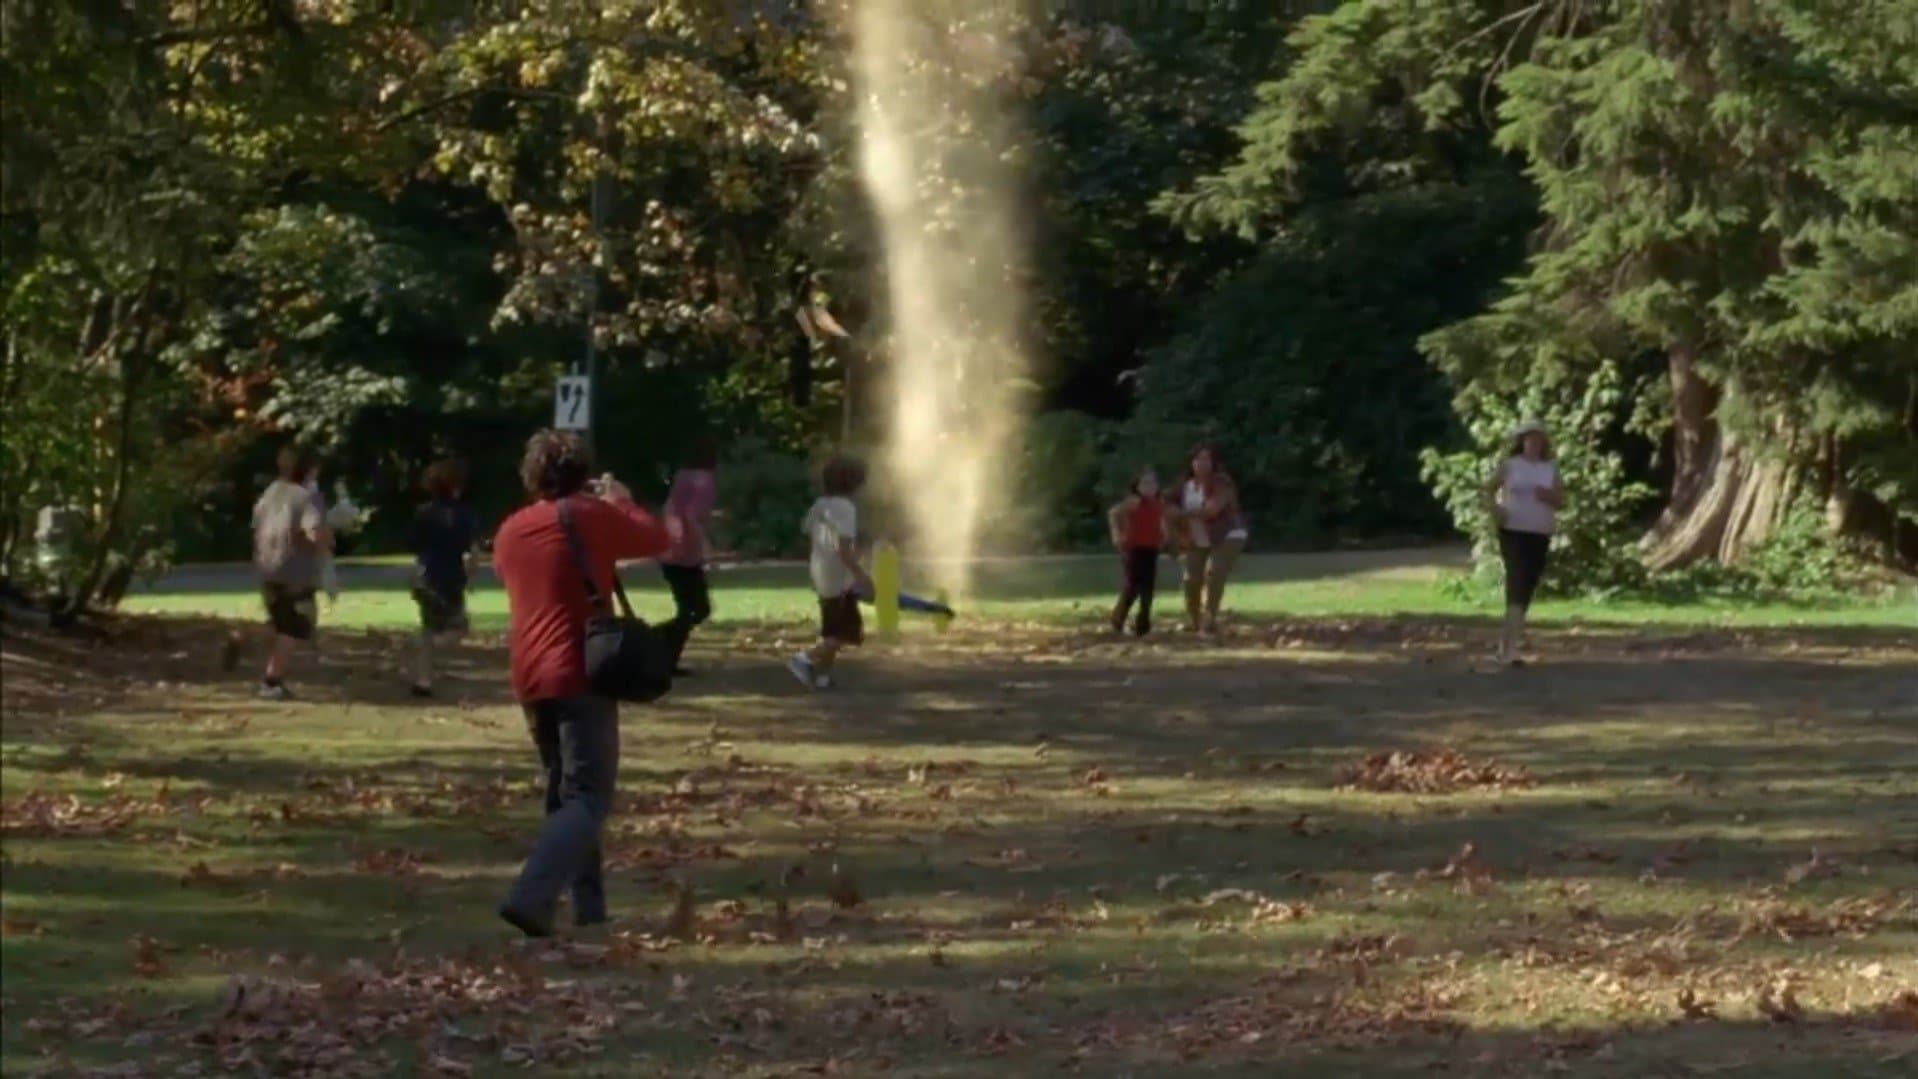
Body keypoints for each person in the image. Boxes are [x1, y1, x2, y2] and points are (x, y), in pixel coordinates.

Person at [493, 430, 670, 937]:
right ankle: (531, 898)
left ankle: (588, 910)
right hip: (579, 670)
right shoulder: (591, 515)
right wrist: (622, 501)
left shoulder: (511, 530)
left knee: (565, 794)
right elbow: (656, 539)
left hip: (529, 673)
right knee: (589, 795)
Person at [252, 446, 331, 700]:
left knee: (278, 620)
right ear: (308, 469)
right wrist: (329, 538)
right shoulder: (307, 497)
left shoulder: (271, 492)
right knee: (297, 626)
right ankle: (272, 680)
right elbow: (315, 533)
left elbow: (257, 525)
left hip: (267, 566)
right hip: (295, 570)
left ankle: (241, 638)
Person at [1483, 419, 1563, 666]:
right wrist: (1496, 510)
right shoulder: (1510, 466)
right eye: (1530, 438)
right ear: (1522, 441)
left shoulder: (1550, 468)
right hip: (1513, 530)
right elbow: (1487, 489)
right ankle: (1508, 650)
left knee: (1527, 585)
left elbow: (1561, 500)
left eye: (1539, 439)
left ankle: (1508, 644)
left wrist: (1549, 496)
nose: (1534, 443)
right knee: (1517, 581)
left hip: (1540, 532)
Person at [788, 455, 871, 691]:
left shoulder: (820, 504)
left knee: (833, 629)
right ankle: (803, 658)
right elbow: (843, 549)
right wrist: (861, 575)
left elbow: (807, 530)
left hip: (821, 571)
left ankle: (822, 677)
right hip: (838, 577)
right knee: (846, 632)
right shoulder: (846, 508)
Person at [408, 459, 480, 698]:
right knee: (459, 626)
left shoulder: (423, 513)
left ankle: (423, 679)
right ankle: (433, 650)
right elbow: (471, 552)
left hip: (426, 575)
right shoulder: (464, 514)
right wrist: (472, 577)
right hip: (451, 576)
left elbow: (416, 549)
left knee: (428, 628)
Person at [659, 438, 719, 677]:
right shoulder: (705, 481)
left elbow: (675, 508)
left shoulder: (683, 476)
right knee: (696, 609)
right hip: (685, 552)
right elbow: (692, 516)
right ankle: (658, 645)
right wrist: (706, 546)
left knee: (690, 609)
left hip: (669, 548)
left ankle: (666, 655)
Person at [1177, 444, 1248, 635]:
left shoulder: (1221, 482)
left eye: (1207, 459)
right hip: (1199, 535)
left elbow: (1212, 509)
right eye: (1198, 459)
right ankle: (1194, 620)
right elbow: (1165, 506)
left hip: (1228, 533)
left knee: (1214, 573)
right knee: (1190, 578)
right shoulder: (1186, 486)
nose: (1202, 464)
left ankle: (1209, 619)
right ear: (1191, 463)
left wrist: (1180, 514)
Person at [1106, 467, 1167, 636]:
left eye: (1153, 483)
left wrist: (1164, 535)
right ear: (1137, 486)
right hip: (1133, 549)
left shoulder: (1158, 503)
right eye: (1145, 483)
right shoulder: (1132, 503)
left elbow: (1159, 522)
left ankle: (1143, 624)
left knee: (1148, 587)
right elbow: (1113, 513)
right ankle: (1118, 619)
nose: (1150, 487)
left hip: (1151, 548)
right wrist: (1117, 535)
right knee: (1132, 586)